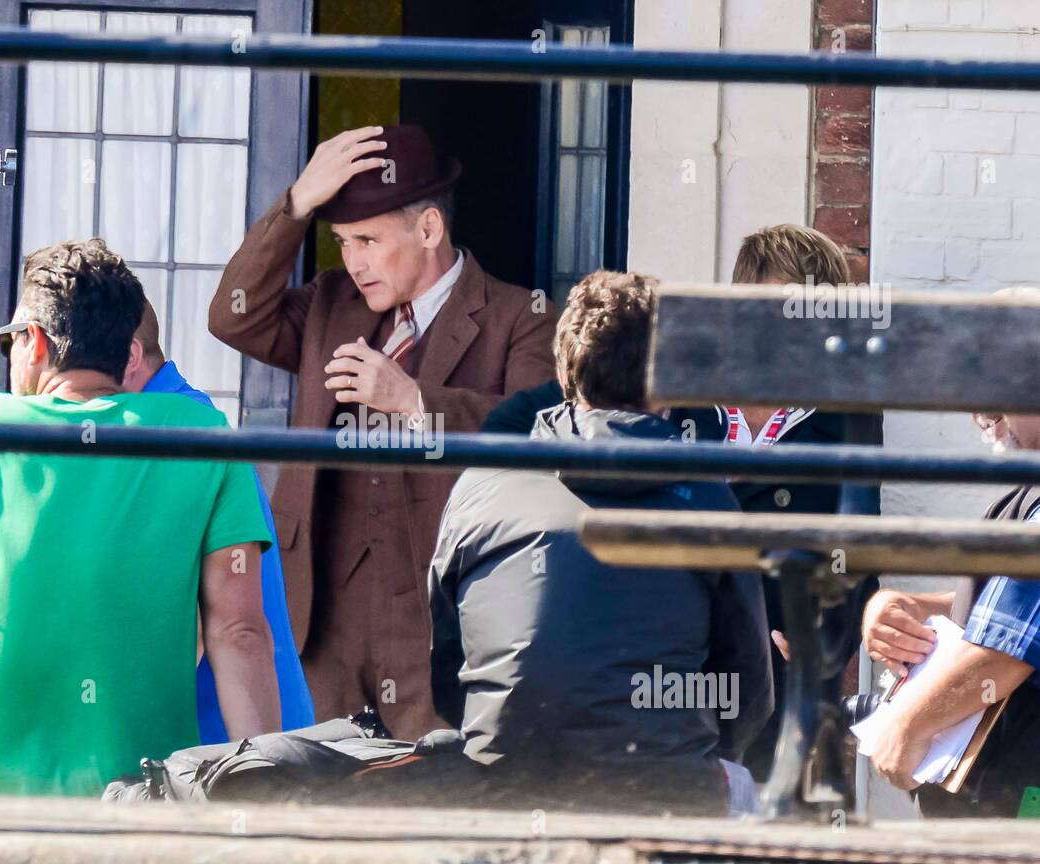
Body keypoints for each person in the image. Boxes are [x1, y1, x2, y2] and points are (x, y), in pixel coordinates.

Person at [0, 239, 280, 797]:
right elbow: (239, 632)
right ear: (127, 355)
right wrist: (270, 814)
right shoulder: (202, 437)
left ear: (37, 343)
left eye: (11, 340)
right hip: (146, 817)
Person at [208, 124, 556, 739]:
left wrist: (414, 400)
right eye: (343, 241)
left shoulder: (518, 317)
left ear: (429, 229)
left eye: (368, 239)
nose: (353, 260)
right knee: (319, 793)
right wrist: (295, 205)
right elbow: (233, 317)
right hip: (321, 613)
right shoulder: (331, 303)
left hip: (439, 613)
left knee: (432, 791)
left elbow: (532, 436)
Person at [429, 270, 773, 815]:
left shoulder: (481, 485)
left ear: (566, 372)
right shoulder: (707, 499)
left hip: (503, 786)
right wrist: (692, 754)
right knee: (751, 793)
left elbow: (450, 668)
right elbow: (750, 688)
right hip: (661, 786)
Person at [669, 224, 881, 781]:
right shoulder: (682, 396)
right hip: (672, 646)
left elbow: (857, 544)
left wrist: (825, 632)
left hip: (779, 659)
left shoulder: (843, 415)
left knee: (761, 825)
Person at [121, 300, 314, 743]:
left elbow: (182, 634)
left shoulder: (165, 434)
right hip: (254, 742)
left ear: (130, 358)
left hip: (217, 751)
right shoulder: (184, 418)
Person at [866, 380, 1040, 816]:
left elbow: (1006, 648)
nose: (982, 420)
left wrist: (908, 725)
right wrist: (918, 606)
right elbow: (1010, 609)